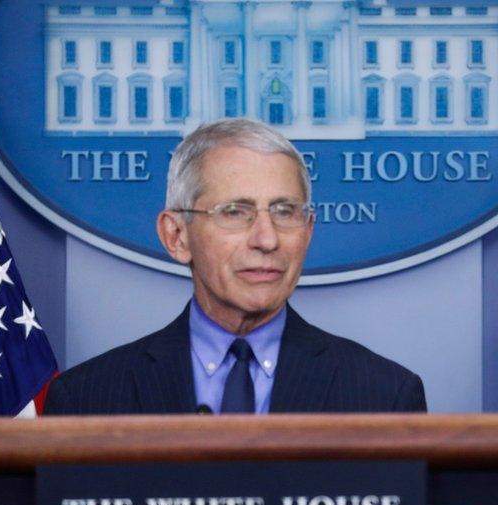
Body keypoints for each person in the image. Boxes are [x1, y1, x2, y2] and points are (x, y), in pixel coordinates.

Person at [45, 118, 426, 415]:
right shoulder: (87, 399)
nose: (267, 239)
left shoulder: (384, 394)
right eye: (235, 212)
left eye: (285, 212)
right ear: (177, 236)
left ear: (308, 232)